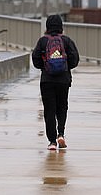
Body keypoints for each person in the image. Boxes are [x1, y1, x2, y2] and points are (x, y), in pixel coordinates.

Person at [32, 14, 80, 150]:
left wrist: (45, 67)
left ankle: (52, 142)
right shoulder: (66, 40)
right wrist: (64, 67)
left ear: (47, 26)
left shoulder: (42, 41)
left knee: (49, 110)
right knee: (62, 107)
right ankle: (61, 134)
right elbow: (75, 59)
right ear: (61, 26)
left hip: (47, 80)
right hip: (63, 80)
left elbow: (35, 60)